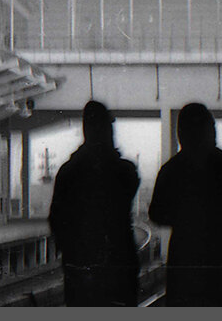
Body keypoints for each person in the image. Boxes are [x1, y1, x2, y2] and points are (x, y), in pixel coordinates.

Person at [149, 103, 222, 306]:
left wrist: (186, 219)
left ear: (181, 132)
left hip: (186, 255)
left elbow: (156, 213)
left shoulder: (171, 170)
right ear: (210, 130)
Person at [48, 101, 140, 306]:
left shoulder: (68, 171)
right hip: (119, 267)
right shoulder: (124, 171)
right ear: (108, 130)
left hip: (80, 268)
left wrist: (70, 254)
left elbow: (56, 219)